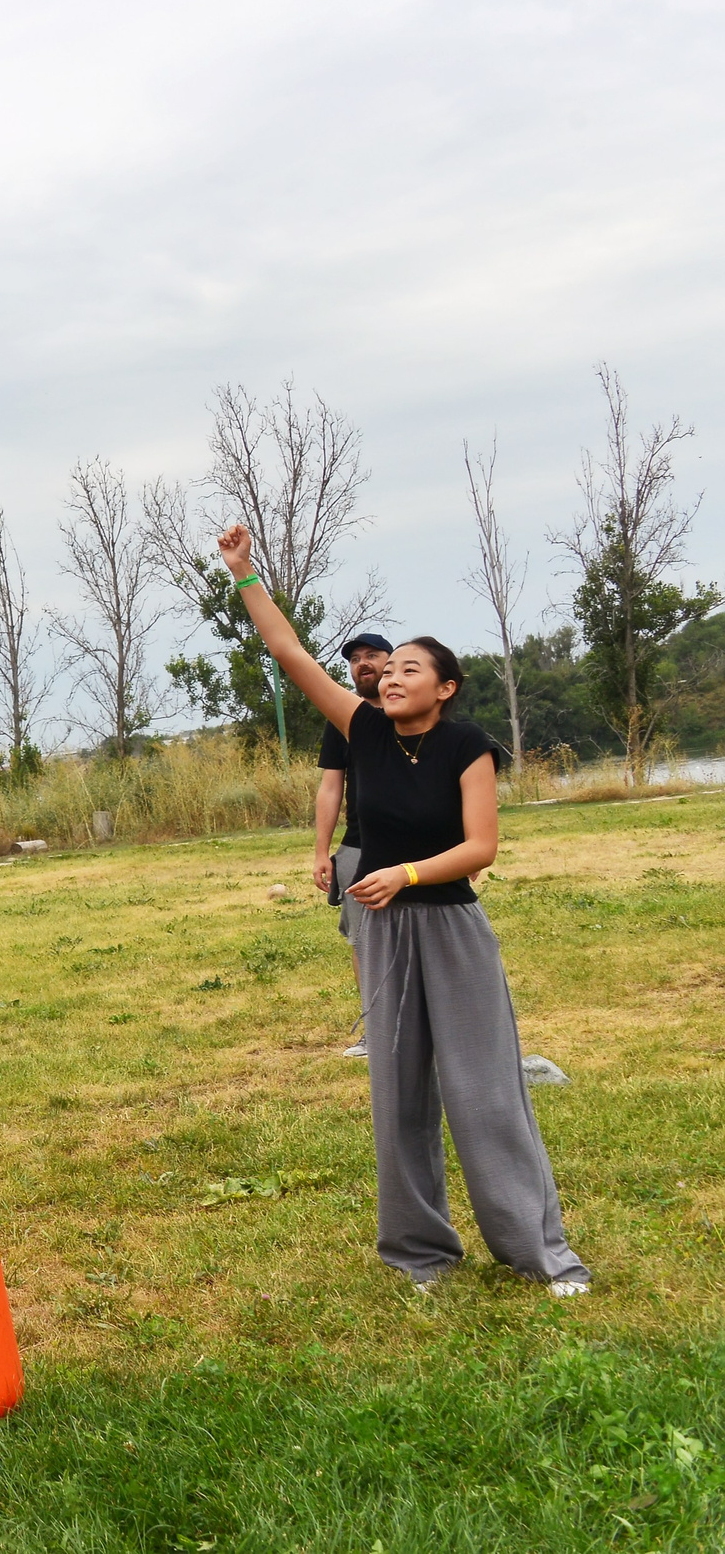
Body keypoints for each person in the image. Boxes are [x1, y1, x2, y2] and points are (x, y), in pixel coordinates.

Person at [222, 524, 588, 1294]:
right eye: (385, 672)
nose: (388, 678)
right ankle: (420, 1254)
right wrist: (246, 575)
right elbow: (290, 654)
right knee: (398, 1091)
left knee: (485, 1088)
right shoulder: (361, 730)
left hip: (450, 922)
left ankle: (537, 1250)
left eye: (407, 670)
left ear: (444, 686)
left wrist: (407, 875)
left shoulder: (468, 747)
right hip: (385, 930)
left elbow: (480, 847)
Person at [315, 632, 392, 1057]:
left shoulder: (415, 711)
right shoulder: (343, 718)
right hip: (359, 847)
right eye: (355, 659)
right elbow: (331, 788)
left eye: (373, 656)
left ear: (391, 661)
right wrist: (321, 851)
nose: (363, 663)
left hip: (420, 847)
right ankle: (376, 1029)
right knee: (363, 940)